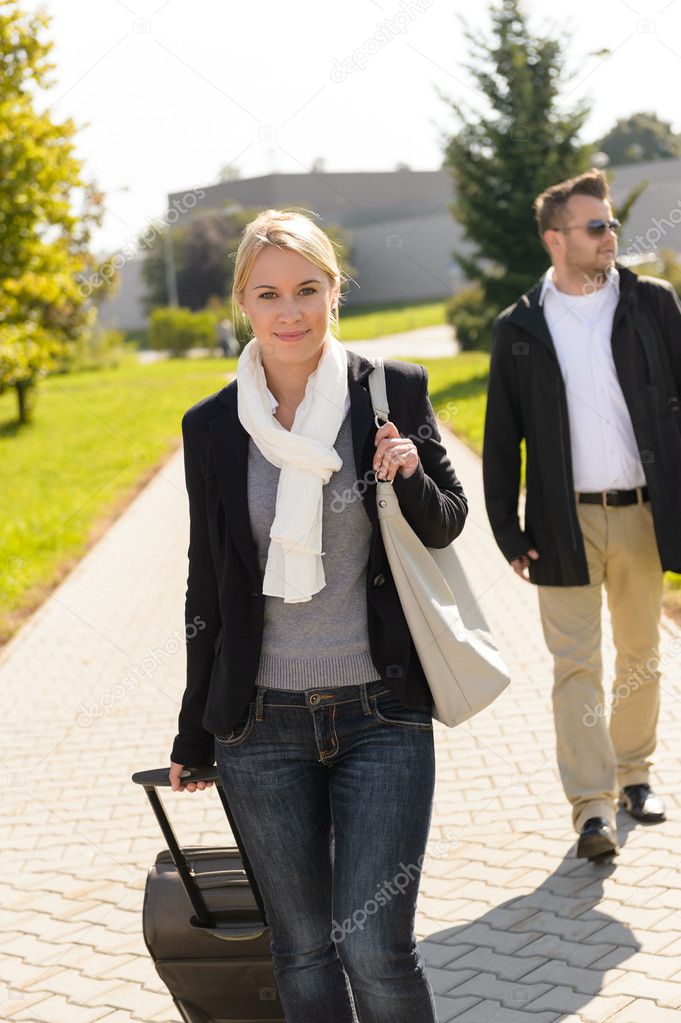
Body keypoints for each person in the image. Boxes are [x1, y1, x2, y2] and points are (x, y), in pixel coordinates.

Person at [168, 208, 468, 1021]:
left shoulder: (389, 391)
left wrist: (407, 471)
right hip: (259, 727)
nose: (290, 311)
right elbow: (208, 581)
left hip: (380, 711)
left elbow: (445, 521)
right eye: (268, 294)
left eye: (307, 289)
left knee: (375, 947)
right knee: (299, 949)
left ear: (335, 292)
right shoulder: (212, 426)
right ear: (243, 303)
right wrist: (196, 730)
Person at [482, 168, 681, 862]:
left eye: (611, 225)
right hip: (560, 522)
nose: (610, 237)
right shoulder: (519, 326)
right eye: (594, 226)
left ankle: (635, 776)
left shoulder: (651, 304)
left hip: (641, 514)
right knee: (574, 667)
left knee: (640, 654)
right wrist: (506, 529)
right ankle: (591, 808)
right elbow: (501, 434)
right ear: (555, 238)